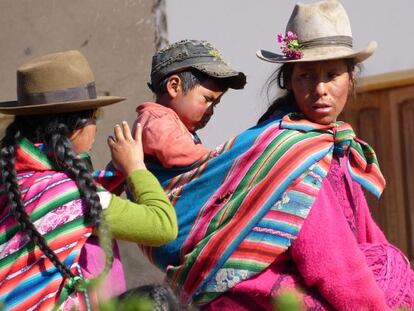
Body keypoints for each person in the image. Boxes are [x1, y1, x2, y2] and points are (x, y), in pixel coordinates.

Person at [139, 1, 414, 310]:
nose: (321, 88)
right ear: (288, 81)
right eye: (307, 76)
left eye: (333, 74)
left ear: (351, 79)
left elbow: (365, 234)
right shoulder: (290, 153)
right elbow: (331, 262)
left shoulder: (330, 146)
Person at [0, 50, 178, 310]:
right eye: (95, 117)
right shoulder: (73, 198)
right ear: (74, 126)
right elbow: (162, 225)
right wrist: (136, 167)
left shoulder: (14, 184)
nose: (96, 126)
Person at [134, 39, 246, 168]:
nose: (210, 112)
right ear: (174, 86)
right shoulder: (158, 120)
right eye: (207, 99)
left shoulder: (175, 126)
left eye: (215, 104)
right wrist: (223, 158)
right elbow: (176, 152)